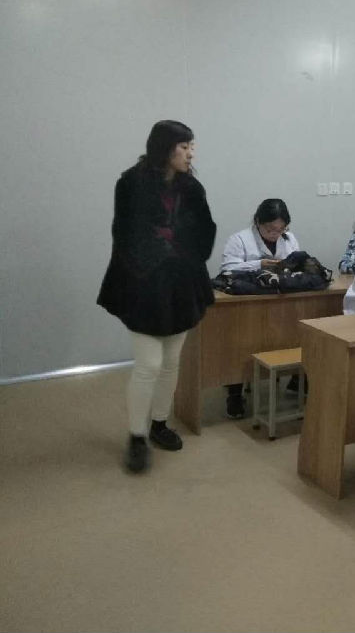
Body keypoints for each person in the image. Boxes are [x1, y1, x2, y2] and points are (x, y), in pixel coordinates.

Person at [97, 120, 216, 474]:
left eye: (192, 146)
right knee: (148, 364)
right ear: (165, 148)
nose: (191, 154)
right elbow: (125, 234)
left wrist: (178, 247)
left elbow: (204, 230)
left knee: (171, 361)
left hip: (181, 283)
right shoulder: (130, 183)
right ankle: (137, 437)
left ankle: (159, 424)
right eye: (184, 147)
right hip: (142, 284)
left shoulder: (191, 187)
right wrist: (166, 248)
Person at [219, 199, 301, 418]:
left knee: (296, 331)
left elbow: (297, 265)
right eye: (270, 229)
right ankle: (234, 392)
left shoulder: (289, 239)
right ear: (257, 222)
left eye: (280, 229)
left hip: (280, 302)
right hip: (247, 305)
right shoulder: (240, 239)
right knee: (239, 343)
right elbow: (228, 269)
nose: (275, 234)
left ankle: (298, 377)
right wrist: (259, 264)